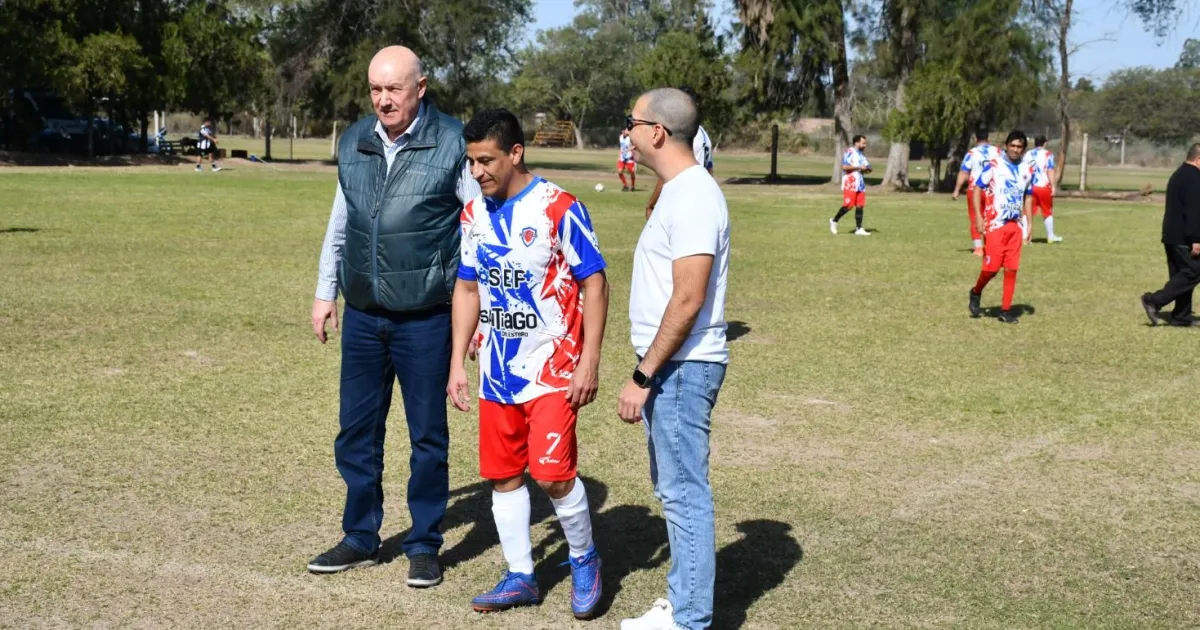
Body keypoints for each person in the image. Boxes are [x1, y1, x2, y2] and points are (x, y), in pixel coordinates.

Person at [307, 46, 480, 587]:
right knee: (356, 432)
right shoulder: (355, 140)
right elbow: (342, 220)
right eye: (375, 89)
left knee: (427, 437)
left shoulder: (453, 142)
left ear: (420, 88)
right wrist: (325, 291)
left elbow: (479, 228)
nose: (383, 100)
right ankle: (360, 536)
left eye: (394, 89)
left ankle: (424, 543)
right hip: (363, 315)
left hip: (427, 318)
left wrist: (478, 313)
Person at [447, 108, 609, 618]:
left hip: (553, 370)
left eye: (487, 160)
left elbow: (595, 283)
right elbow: (468, 288)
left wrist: (589, 360)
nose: (477, 172)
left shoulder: (559, 207)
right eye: (471, 162)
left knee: (553, 474)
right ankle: (521, 575)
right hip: (497, 371)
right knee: (503, 476)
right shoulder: (473, 214)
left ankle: (584, 558)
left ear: (516, 152)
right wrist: (457, 362)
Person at [617, 88, 730, 630]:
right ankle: (683, 600)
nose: (628, 133)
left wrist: (643, 375)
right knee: (674, 489)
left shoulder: (692, 196)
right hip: (672, 366)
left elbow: (688, 297)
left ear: (657, 132)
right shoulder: (679, 191)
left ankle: (688, 618)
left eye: (632, 123)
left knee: (684, 493)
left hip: (681, 368)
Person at [968, 130, 1034, 324]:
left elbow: (1028, 197)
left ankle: (1005, 311)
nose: (1015, 150)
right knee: (992, 269)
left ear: (1023, 149)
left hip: (1016, 225)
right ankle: (976, 291)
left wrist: (1029, 223)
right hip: (995, 224)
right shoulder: (994, 165)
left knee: (1011, 269)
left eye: (1019, 147)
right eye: (1012, 145)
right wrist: (979, 217)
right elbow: (977, 189)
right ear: (1006, 145)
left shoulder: (1027, 170)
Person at [1141, 143, 1200, 327]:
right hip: (1184, 236)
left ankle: (1181, 317)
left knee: (1179, 275)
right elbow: (1193, 211)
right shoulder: (1193, 178)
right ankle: (1153, 300)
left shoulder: (1178, 174)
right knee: (1193, 272)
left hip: (1171, 234)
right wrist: (1196, 239)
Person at [644, 86, 713, 220]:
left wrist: (651, 204)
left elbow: (668, 173)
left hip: (685, 202)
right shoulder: (703, 134)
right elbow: (709, 171)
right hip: (700, 201)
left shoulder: (686, 137)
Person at [953, 131, 1001, 256]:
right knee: (991, 218)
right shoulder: (998, 152)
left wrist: (957, 190)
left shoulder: (972, 153)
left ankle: (978, 248)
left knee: (975, 217)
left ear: (976, 139)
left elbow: (964, 173)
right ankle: (991, 246)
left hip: (975, 190)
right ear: (988, 138)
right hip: (992, 190)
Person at [830, 134, 871, 236]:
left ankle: (859, 228)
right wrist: (859, 167)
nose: (865, 145)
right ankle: (834, 221)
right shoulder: (850, 152)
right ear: (856, 143)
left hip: (860, 183)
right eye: (863, 143)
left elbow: (867, 166)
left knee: (860, 205)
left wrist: (868, 169)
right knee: (849, 206)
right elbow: (844, 167)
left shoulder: (862, 154)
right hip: (850, 183)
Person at [1025, 135, 1063, 242]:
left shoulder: (1027, 154)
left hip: (1030, 187)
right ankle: (1051, 236)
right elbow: (1050, 170)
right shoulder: (1047, 154)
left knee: (1027, 212)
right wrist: (1053, 186)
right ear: (1045, 143)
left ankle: (1025, 237)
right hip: (1043, 187)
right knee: (1047, 211)